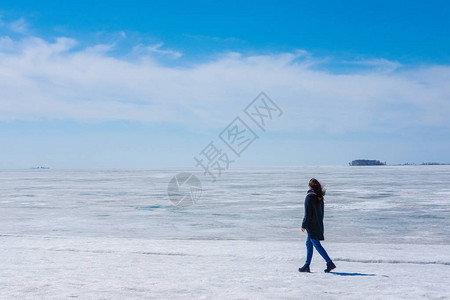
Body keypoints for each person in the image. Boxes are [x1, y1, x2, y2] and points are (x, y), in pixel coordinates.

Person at [299, 178, 336, 273]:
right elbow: (321, 213)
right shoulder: (319, 198)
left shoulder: (309, 197)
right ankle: (307, 265)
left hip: (311, 226)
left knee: (316, 244)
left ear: (310, 186)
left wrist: (304, 225)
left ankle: (329, 263)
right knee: (309, 244)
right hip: (318, 224)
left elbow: (307, 214)